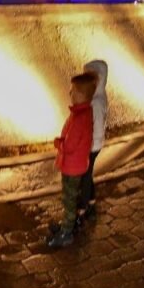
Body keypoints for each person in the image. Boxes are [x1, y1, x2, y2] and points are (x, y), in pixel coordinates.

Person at [46, 72, 96, 249]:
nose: (70, 93)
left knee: (69, 199)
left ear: (81, 95)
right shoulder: (83, 112)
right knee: (70, 197)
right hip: (75, 165)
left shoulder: (79, 118)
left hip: (72, 166)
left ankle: (66, 233)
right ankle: (68, 224)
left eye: (72, 90)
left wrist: (58, 143)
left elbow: (69, 146)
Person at [77, 60, 108, 228]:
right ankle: (91, 202)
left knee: (85, 177)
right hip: (94, 144)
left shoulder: (96, 102)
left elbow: (96, 127)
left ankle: (82, 210)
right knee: (88, 174)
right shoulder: (98, 97)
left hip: (92, 146)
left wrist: (86, 144)